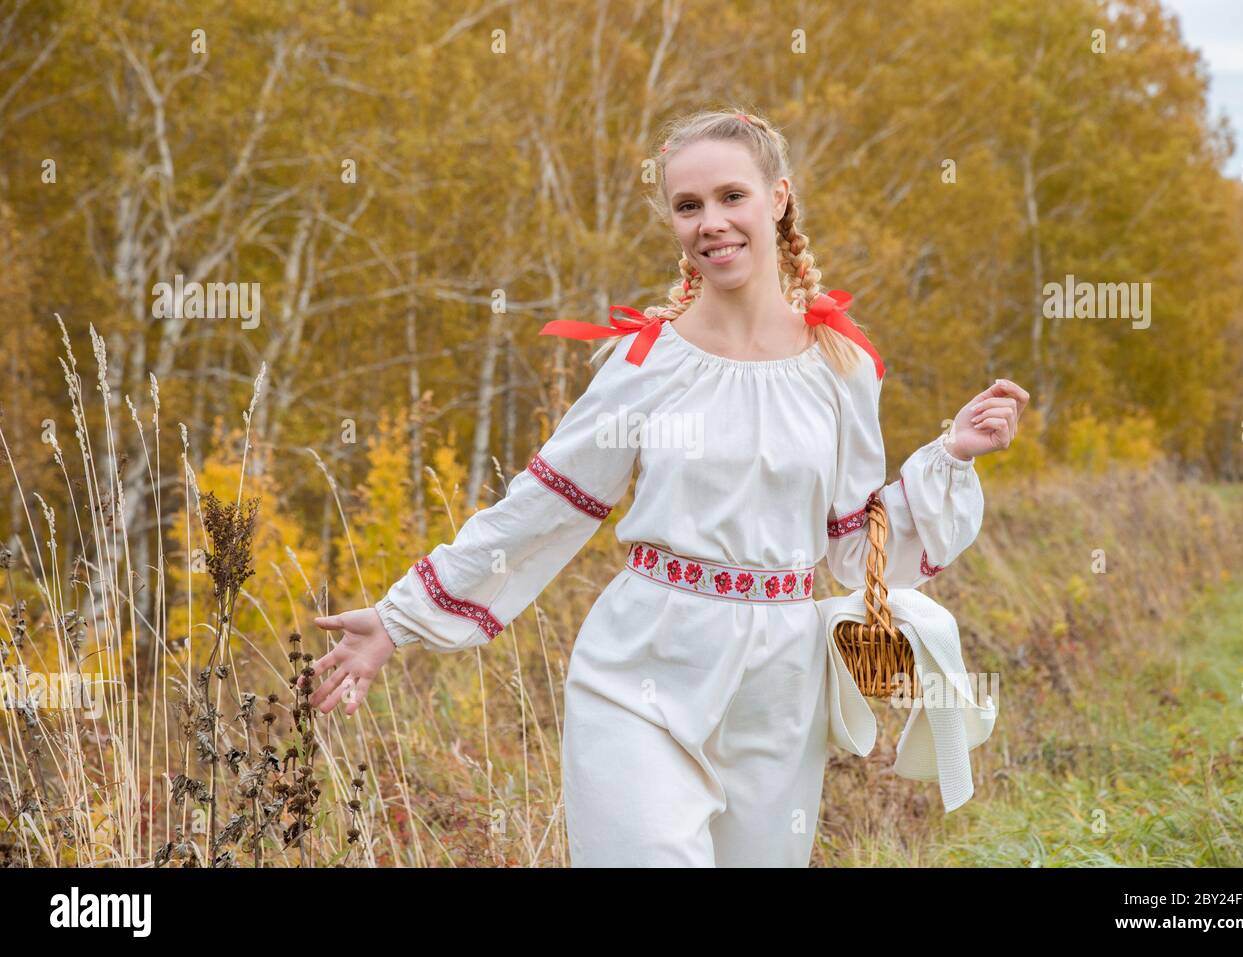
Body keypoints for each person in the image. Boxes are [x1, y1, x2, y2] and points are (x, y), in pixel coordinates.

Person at [306, 108, 1028, 867]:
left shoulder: (841, 367)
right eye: (688, 206)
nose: (711, 222)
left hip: (780, 684)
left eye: (730, 196)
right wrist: (401, 616)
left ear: (778, 198)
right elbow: (544, 506)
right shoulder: (646, 361)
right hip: (642, 666)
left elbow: (853, 550)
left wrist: (950, 455)